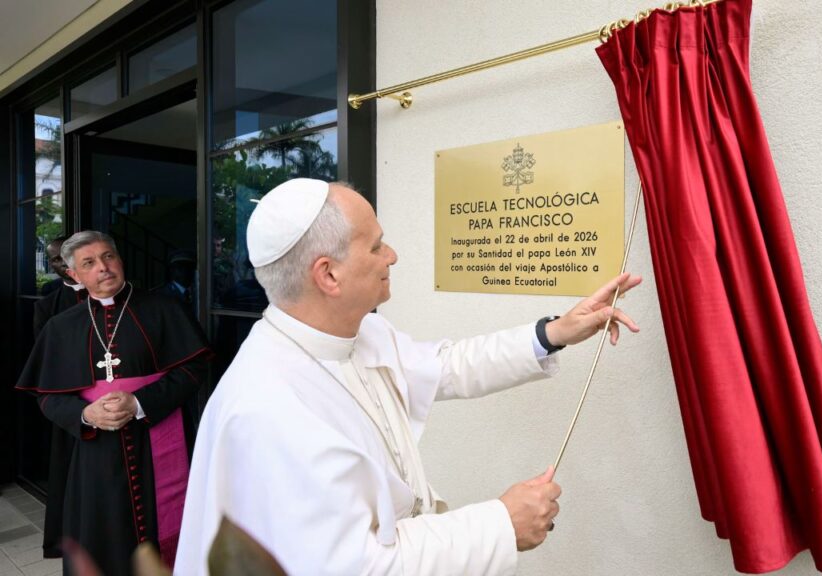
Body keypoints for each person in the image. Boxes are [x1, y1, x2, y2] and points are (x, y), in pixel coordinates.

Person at [175, 179, 642, 575]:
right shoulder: (267, 409)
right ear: (329, 275)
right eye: (376, 246)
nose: (393, 256)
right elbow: (356, 567)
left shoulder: (361, 331)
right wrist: (501, 524)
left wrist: (556, 332)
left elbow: (448, 365)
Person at [16, 230, 212, 576]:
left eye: (108, 257)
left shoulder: (164, 308)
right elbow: (46, 395)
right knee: (102, 540)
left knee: (167, 535)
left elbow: (194, 368)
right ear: (74, 274)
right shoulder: (60, 327)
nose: (103, 268)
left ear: (120, 260)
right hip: (94, 453)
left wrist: (140, 402)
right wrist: (84, 413)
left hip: (158, 442)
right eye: (89, 263)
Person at [30, 234, 89, 559]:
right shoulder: (47, 303)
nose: (61, 263)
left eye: (65, 256)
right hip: (72, 401)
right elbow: (45, 357)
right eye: (54, 258)